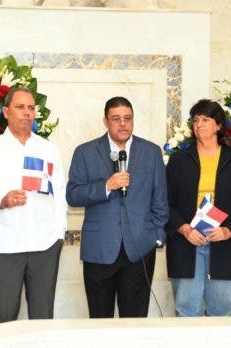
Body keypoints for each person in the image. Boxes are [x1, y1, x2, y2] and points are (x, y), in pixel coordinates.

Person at [66, 96, 168, 318]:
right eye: (116, 119)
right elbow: (73, 195)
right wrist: (106, 185)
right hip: (99, 250)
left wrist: (156, 236)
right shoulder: (85, 152)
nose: (123, 124)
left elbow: (160, 199)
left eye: (128, 118)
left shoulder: (151, 152)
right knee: (99, 320)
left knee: (135, 320)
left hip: (139, 249)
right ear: (105, 121)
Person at [0, 87, 66, 323]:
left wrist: (58, 235)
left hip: (45, 245)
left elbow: (60, 193)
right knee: (4, 316)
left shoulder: (48, 149)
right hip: (6, 247)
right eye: (20, 107)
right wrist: (2, 201)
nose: (27, 113)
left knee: (43, 316)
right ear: (6, 112)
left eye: (30, 108)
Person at [165, 99, 231, 317]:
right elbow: (163, 204)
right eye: (196, 120)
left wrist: (228, 230)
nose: (199, 124)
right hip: (186, 244)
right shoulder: (179, 160)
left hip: (223, 246)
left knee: (221, 311)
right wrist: (185, 229)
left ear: (218, 125)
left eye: (206, 119)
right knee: (187, 310)